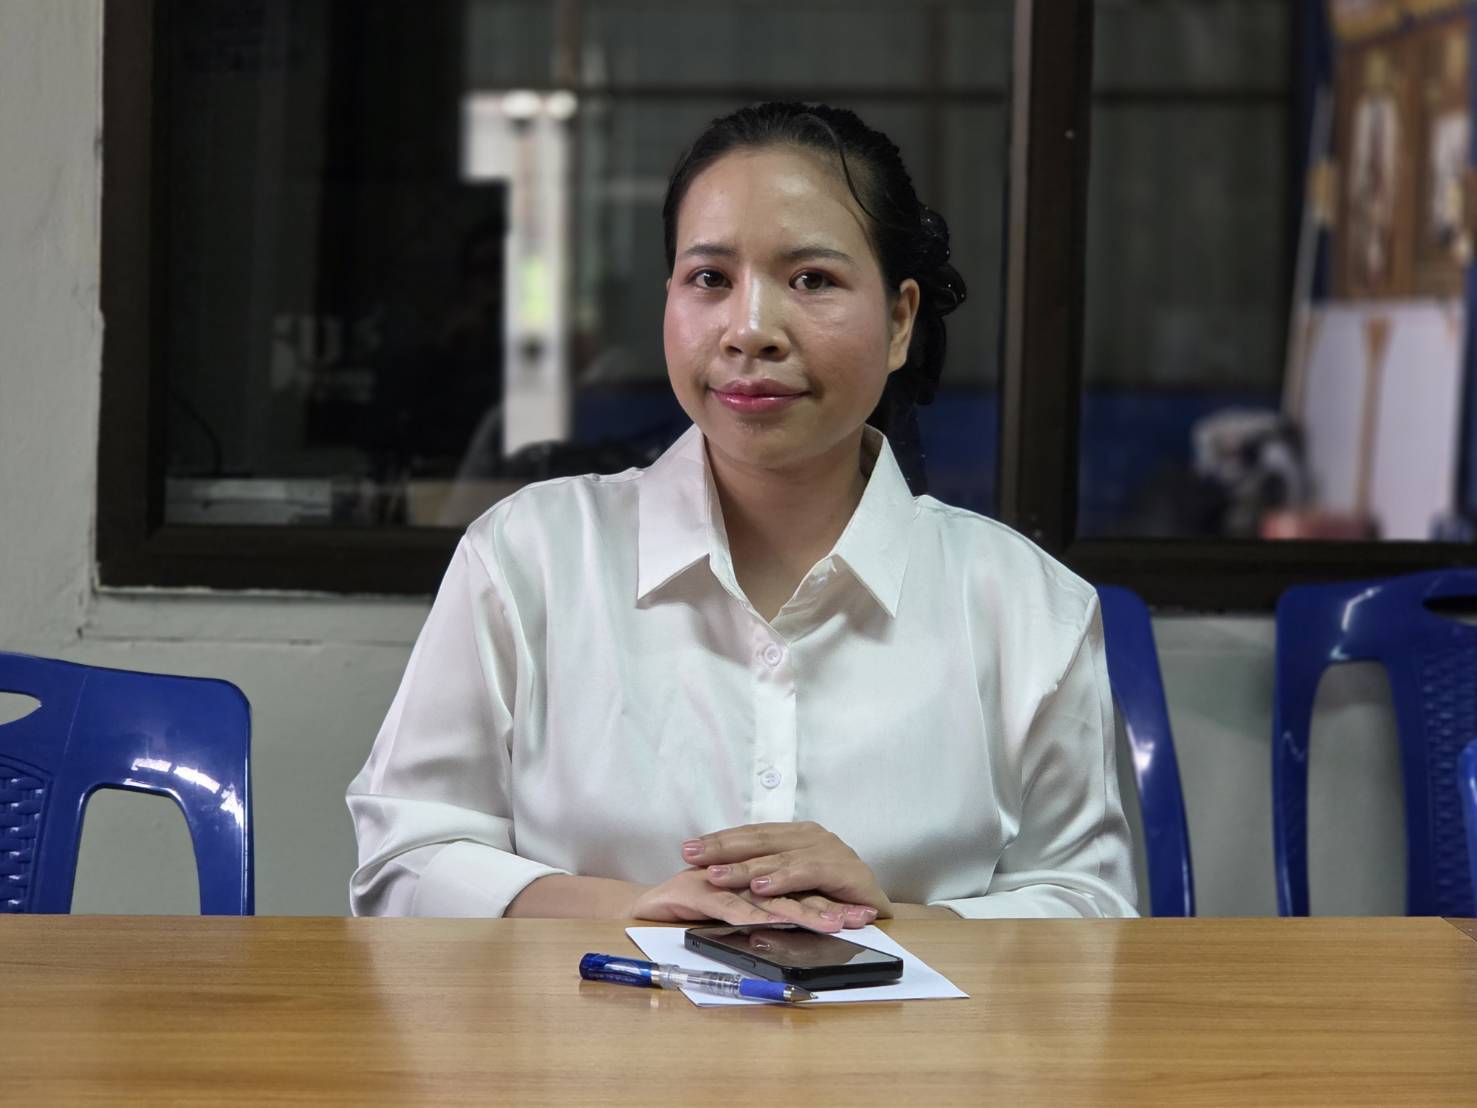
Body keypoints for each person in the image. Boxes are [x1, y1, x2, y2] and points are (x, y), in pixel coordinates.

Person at [347, 102, 1137, 927]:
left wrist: (890, 925)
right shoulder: (528, 559)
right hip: (589, 1018)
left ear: (900, 320)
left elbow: (1090, 911)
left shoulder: (1025, 606)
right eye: (710, 279)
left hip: (926, 1023)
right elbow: (401, 865)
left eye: (811, 279)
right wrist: (641, 910)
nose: (749, 330)